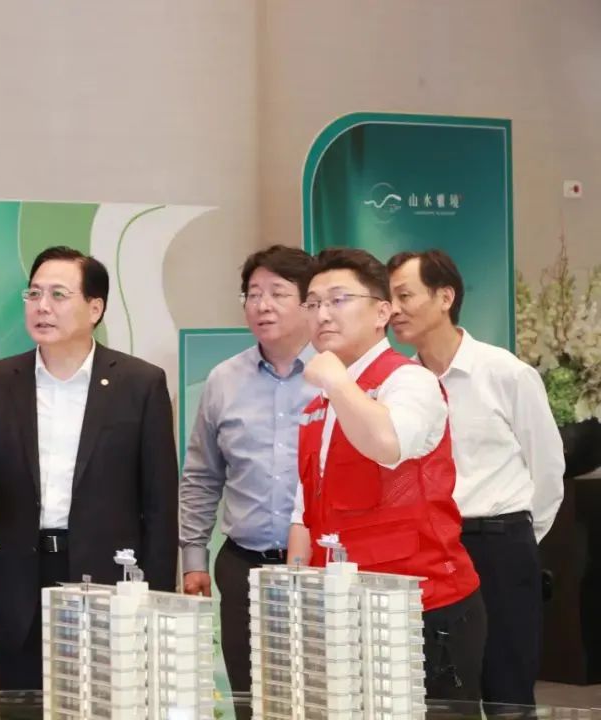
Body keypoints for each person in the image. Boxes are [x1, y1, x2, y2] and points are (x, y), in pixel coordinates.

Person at [0, 245, 178, 691]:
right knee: (25, 702)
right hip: (20, 577)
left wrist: (157, 599)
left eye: (58, 294)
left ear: (95, 308)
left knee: (105, 703)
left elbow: (160, 501)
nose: (42, 307)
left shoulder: (139, 384)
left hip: (108, 579)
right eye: (34, 294)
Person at [286, 247, 486, 702]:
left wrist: (338, 381)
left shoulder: (408, 380)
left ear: (382, 313)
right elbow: (306, 510)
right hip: (344, 611)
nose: (322, 314)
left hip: (422, 607)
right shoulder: (319, 403)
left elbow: (387, 444)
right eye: (313, 303)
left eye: (338, 300)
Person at [388, 249, 564, 709]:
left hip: (497, 544)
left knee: (507, 692)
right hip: (428, 550)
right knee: (441, 694)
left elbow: (548, 468)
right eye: (389, 299)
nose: (394, 310)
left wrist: (518, 536)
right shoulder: (400, 383)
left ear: (445, 297)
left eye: (405, 296)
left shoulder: (505, 372)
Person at [179, 244, 316, 694]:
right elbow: (202, 475)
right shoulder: (224, 379)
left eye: (277, 293)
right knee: (250, 697)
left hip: (323, 570)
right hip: (244, 566)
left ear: (310, 302)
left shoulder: (339, 376)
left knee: (321, 698)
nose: (262, 305)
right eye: (253, 294)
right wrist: (193, 559)